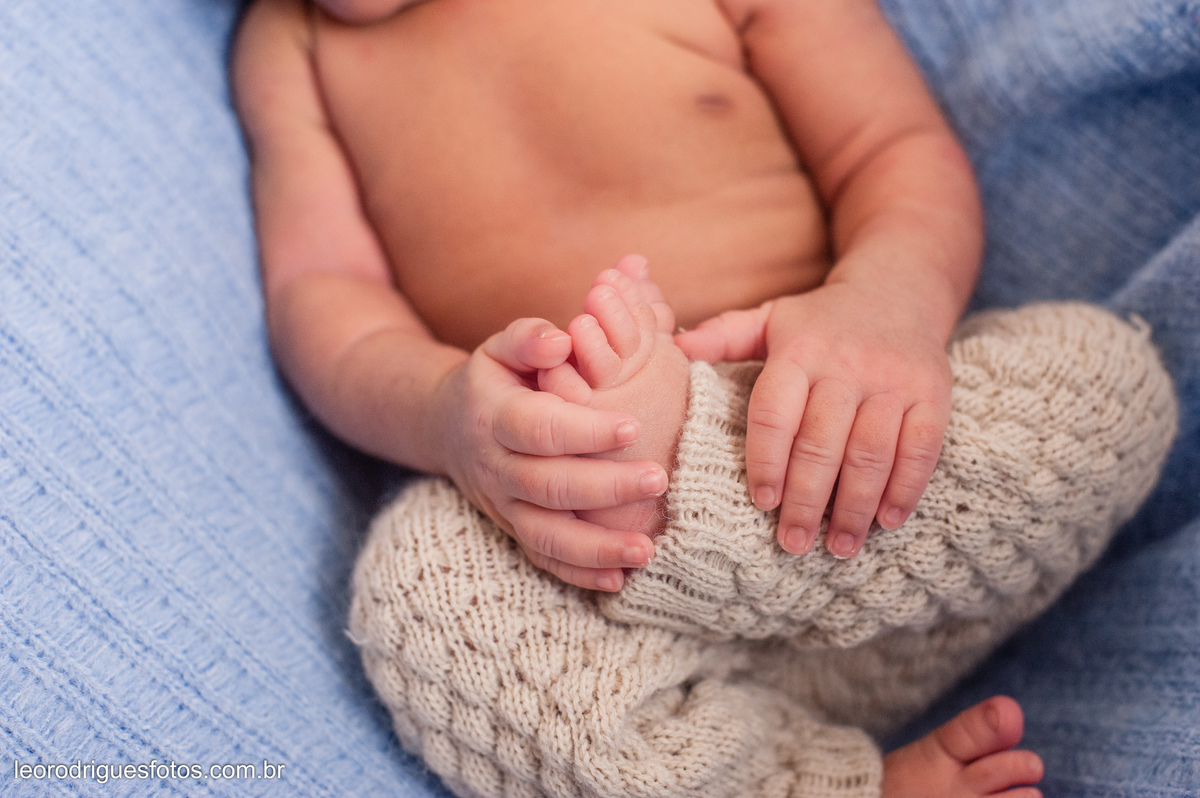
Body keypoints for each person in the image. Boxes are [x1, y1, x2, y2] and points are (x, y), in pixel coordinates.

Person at [230, 0, 1178, 795]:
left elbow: (888, 146)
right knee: (417, 588)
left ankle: (681, 477)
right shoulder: (294, 46)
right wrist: (443, 416)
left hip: (843, 462)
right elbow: (325, 296)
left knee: (1106, 379)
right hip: (578, 550)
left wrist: (886, 303)